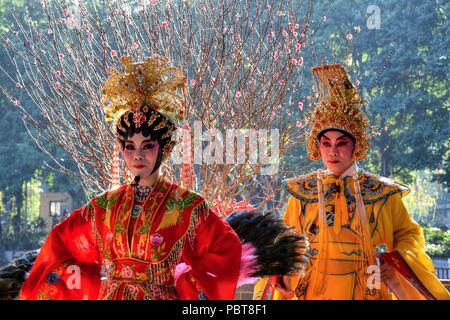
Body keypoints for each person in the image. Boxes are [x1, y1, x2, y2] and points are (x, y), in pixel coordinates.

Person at [18, 55, 307, 300]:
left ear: (165, 149)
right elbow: (63, 242)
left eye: (148, 146)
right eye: (130, 147)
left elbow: (226, 246)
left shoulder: (188, 207)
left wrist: (189, 283)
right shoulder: (104, 206)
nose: (137, 156)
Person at [253, 64, 450, 300]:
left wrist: (396, 261)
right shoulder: (303, 193)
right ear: (318, 147)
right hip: (315, 291)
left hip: (368, 288)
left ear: (356, 146)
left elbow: (409, 236)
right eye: (326, 143)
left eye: (341, 143)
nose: (333, 151)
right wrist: (281, 273)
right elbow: (285, 243)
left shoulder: (381, 193)